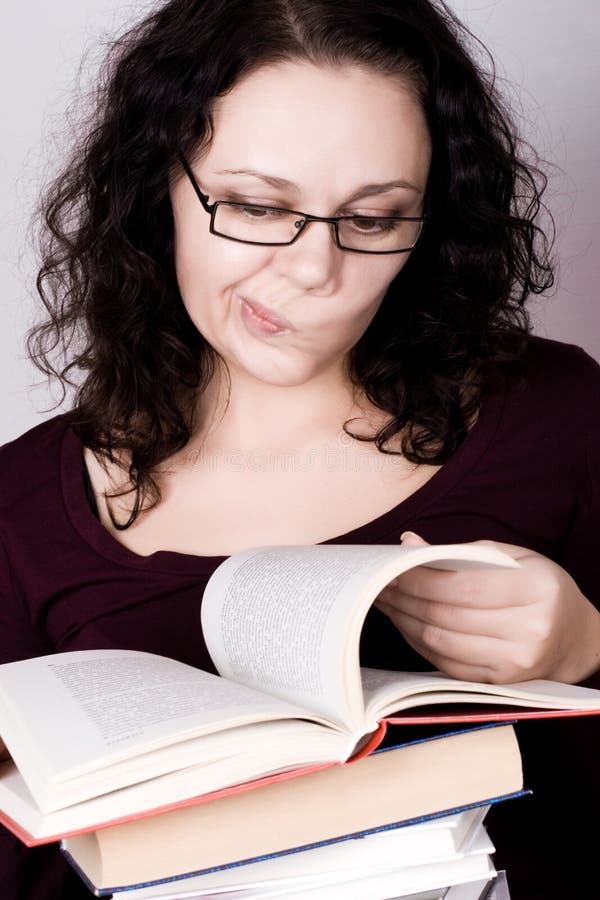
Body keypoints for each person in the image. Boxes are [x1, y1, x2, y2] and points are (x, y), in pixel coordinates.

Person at [1, 0, 598, 897]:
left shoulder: (561, 416)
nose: (315, 271)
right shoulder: (17, 508)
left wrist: (591, 648)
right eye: (253, 205)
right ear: (156, 187)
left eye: (373, 219)